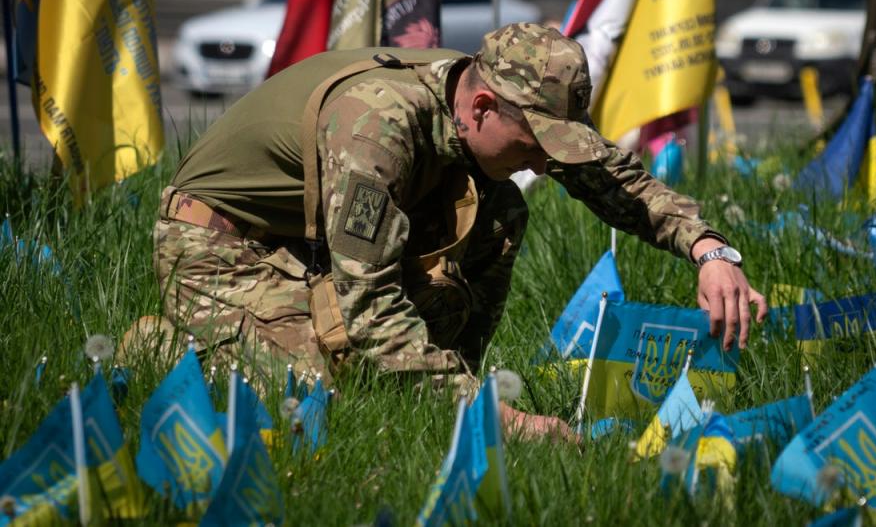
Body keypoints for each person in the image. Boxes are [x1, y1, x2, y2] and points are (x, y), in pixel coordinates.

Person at [131, 23, 766, 439]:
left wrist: (710, 249)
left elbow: (611, 177)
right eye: (534, 144)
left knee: (501, 212)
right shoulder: (374, 129)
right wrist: (499, 420)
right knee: (331, 396)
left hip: (316, 236)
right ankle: (161, 344)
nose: (545, 163)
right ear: (483, 108)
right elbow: (370, 308)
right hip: (222, 245)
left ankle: (447, 381)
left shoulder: (478, 95)